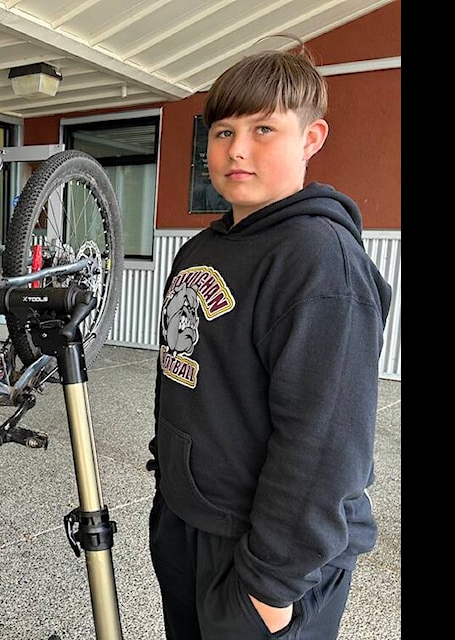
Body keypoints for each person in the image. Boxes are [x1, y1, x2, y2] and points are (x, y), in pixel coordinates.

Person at [146, 47, 392, 640]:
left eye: (264, 129)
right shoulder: (202, 249)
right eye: (224, 130)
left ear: (312, 138)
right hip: (190, 524)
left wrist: (270, 587)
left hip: (268, 557)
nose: (237, 149)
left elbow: (325, 445)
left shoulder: (321, 265)